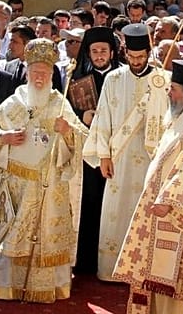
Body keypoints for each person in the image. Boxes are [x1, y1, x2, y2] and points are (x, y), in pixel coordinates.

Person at [0, 38, 88, 302]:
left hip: (50, 185)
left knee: (47, 235)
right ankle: (8, 287)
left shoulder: (59, 103)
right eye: (35, 73)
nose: (39, 78)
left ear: (53, 75)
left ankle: (46, 287)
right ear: (27, 73)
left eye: (45, 73)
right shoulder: (14, 102)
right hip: (17, 184)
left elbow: (84, 138)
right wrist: (4, 137)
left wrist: (68, 133)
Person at [113, 59, 183, 314]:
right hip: (156, 208)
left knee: (167, 277)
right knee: (148, 271)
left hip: (173, 212)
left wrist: (168, 199)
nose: (169, 92)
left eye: (175, 88)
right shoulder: (176, 119)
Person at [81, 22, 172, 281]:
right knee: (115, 212)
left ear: (149, 53)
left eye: (141, 57)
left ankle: (142, 271)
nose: (136, 62)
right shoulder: (114, 78)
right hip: (119, 159)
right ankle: (112, 271)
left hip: (149, 159)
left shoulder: (162, 81)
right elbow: (103, 119)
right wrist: (104, 156)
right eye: (131, 57)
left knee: (142, 212)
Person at [66, 25, 121, 273]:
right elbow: (65, 113)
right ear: (88, 53)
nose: (99, 55)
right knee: (88, 204)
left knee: (111, 205)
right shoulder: (75, 78)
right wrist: (81, 115)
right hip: (86, 153)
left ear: (112, 52)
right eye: (94, 51)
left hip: (115, 151)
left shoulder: (123, 78)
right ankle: (86, 261)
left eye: (103, 51)